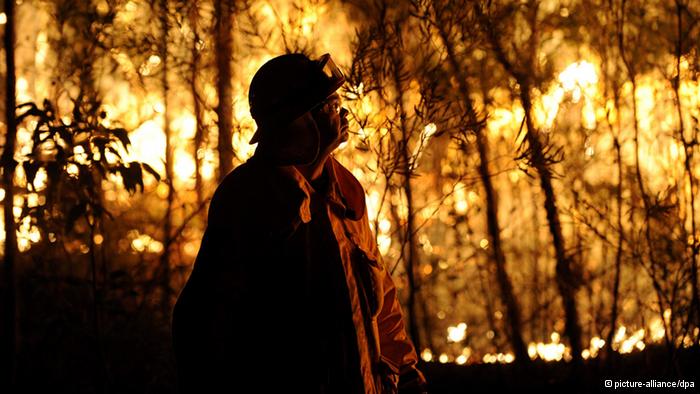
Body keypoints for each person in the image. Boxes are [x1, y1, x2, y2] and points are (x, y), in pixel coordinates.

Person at [172, 53, 427, 394]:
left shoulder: (345, 192)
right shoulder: (248, 199)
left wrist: (407, 373)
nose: (344, 112)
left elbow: (383, 304)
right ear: (299, 122)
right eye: (331, 105)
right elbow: (205, 324)